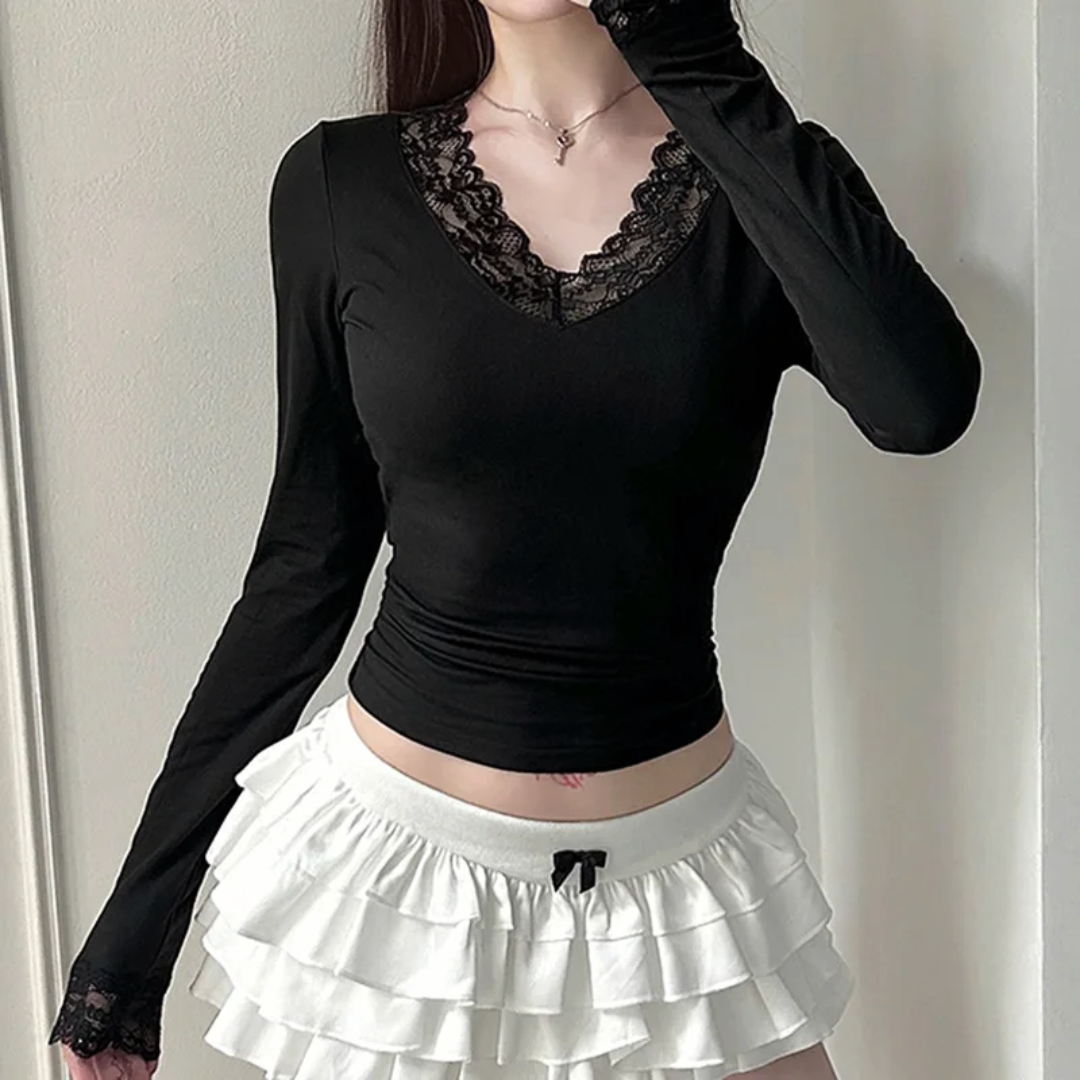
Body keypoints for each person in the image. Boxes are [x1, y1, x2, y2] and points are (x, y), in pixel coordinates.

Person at [47, 1, 982, 1078]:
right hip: (398, 905)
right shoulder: (341, 183)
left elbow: (919, 407)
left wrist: (700, 69)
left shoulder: (756, 169)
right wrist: (128, 950)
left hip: (686, 908)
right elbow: (304, 566)